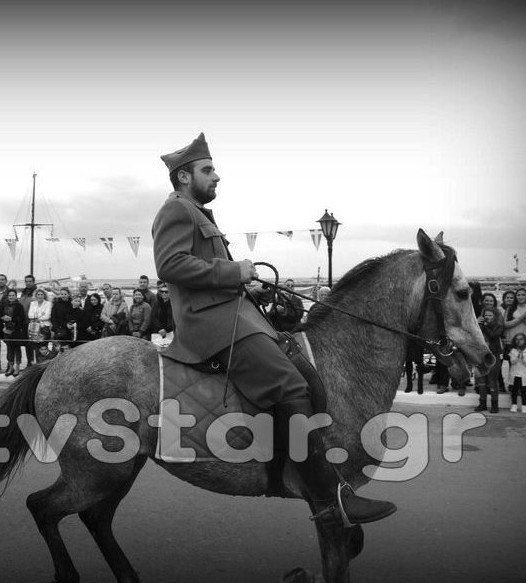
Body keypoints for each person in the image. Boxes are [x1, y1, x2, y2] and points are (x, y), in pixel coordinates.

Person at [151, 132, 394, 525]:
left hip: (235, 315)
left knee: (309, 378)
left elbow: (203, 270)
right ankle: (331, 498)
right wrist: (234, 271)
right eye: (207, 169)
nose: (216, 176)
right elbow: (170, 265)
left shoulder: (195, 211)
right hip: (210, 325)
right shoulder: (176, 210)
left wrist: (246, 283)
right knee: (291, 387)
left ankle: (294, 468)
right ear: (183, 176)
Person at [504, 288, 526, 391]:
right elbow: (505, 324)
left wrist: (525, 319)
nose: (521, 297)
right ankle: (513, 385)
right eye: (518, 295)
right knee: (513, 364)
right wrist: (520, 319)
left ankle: (524, 387)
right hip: (512, 340)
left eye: (523, 295)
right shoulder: (510, 308)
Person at [474, 306, 504, 413]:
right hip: (481, 355)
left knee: (492, 381)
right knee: (481, 381)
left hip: (494, 356)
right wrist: (476, 323)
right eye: (485, 315)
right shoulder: (480, 325)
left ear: (495, 316)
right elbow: (473, 334)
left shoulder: (499, 325)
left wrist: (484, 326)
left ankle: (494, 405)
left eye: (490, 315)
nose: (487, 317)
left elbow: (493, 335)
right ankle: (482, 404)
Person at [0, 289, 26, 376]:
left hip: (16, 330)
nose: (11, 297)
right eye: (10, 295)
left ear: (16, 296)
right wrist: (3, 318)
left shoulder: (19, 306)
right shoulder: (5, 305)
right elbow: (1, 315)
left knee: (17, 350)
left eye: (13, 295)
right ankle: (11, 367)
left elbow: (21, 318)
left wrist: (11, 319)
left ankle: (17, 367)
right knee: (9, 350)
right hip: (6, 330)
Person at [507, 333, 526, 413]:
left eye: (521, 339)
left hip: (524, 374)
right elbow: (512, 362)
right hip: (515, 373)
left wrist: (522, 356)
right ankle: (514, 404)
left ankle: (524, 405)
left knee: (523, 390)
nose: (519, 341)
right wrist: (518, 355)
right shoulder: (513, 350)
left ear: (524, 340)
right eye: (517, 339)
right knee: (514, 389)